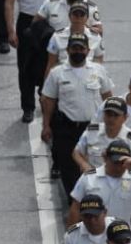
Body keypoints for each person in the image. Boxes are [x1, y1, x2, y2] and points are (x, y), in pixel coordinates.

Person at [41, 34, 114, 198]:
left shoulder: (98, 70)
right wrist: (46, 125)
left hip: (93, 128)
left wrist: (113, 124)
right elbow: (49, 100)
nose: (78, 52)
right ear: (67, 50)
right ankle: (73, 202)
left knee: (94, 165)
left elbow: (108, 98)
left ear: (88, 50)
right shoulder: (57, 73)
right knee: (68, 167)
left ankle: (92, 200)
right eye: (74, 48)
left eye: (81, 48)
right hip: (66, 128)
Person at [4, 0, 66, 122]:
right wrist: (11, 31)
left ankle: (48, 100)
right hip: (27, 22)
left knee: (52, 64)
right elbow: (9, 2)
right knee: (25, 67)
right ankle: (27, 107)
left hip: (50, 23)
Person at [68, 139, 131, 226]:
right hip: (93, 234)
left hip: (121, 235)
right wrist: (71, 235)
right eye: (115, 162)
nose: (119, 167)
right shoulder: (89, 178)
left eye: (122, 162)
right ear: (105, 158)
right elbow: (75, 208)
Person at [74, 97, 131, 174]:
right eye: (109, 114)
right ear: (103, 115)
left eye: (116, 115)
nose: (111, 119)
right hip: (93, 181)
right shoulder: (92, 132)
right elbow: (77, 152)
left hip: (121, 181)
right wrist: (85, 166)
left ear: (125, 117)